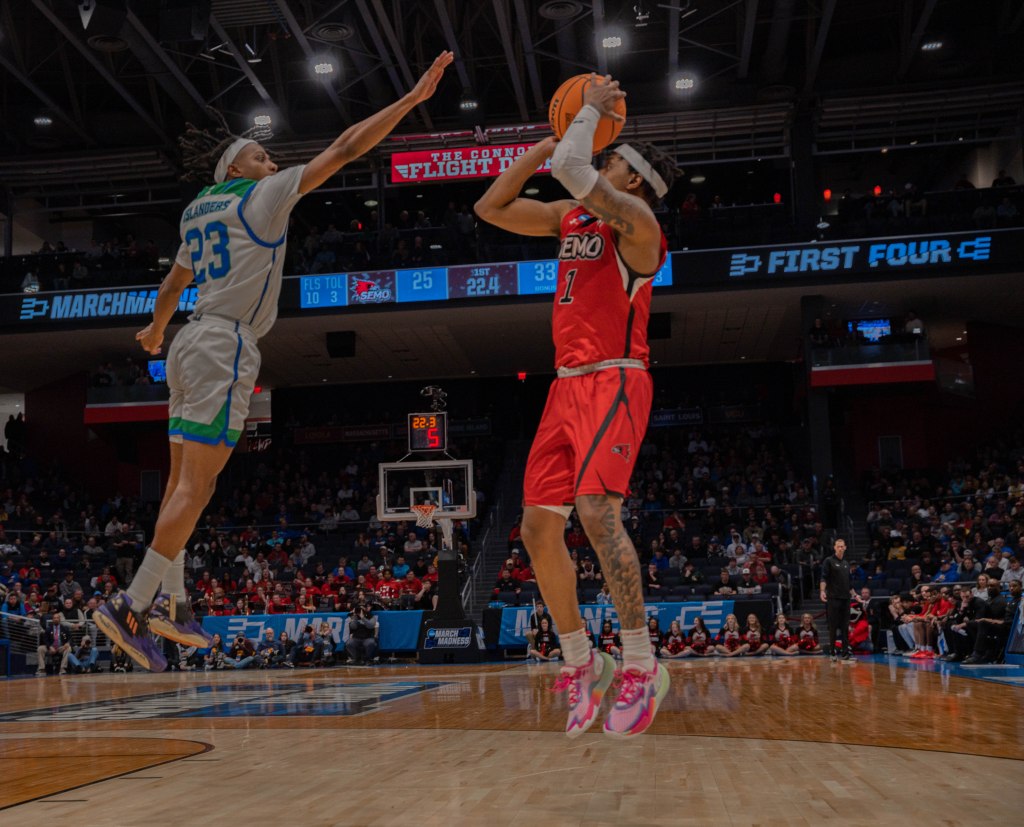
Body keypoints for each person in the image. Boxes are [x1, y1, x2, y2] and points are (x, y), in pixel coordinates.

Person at [93, 51, 454, 672]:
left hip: (187, 343)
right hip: (224, 346)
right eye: (262, 156)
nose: (274, 164)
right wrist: (411, 101)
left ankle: (174, 604)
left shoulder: (196, 209)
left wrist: (154, 330)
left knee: (184, 485)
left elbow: (173, 284)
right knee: (197, 486)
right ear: (236, 167)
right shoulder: (259, 197)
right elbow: (345, 148)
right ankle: (132, 604)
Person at [475, 73, 677, 739]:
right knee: (537, 529)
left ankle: (642, 662)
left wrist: (583, 117)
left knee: (596, 512)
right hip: (565, 384)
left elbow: (573, 167)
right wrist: (546, 142)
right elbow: (491, 207)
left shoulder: (640, 225)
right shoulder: (571, 217)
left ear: (634, 178)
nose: (600, 158)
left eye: (612, 158)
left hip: (615, 378)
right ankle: (580, 659)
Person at [820, 538, 852, 661]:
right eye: (838, 546)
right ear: (834, 547)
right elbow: (823, 578)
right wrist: (822, 591)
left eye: (842, 546)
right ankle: (832, 651)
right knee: (833, 626)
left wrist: (856, 595)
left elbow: (849, 583)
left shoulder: (846, 563)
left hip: (846, 599)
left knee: (845, 626)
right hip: (833, 598)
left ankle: (845, 652)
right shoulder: (829, 561)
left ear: (845, 548)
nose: (840, 548)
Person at [36, 611, 71, 676]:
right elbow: (45, 639)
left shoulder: (64, 628)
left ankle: (62, 669)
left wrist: (68, 643)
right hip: (50, 647)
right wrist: (49, 647)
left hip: (61, 647)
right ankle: (42, 669)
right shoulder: (49, 629)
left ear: (59, 619)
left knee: (68, 648)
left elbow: (69, 638)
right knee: (40, 648)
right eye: (54, 618)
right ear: (52, 619)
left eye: (57, 618)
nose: (56, 619)